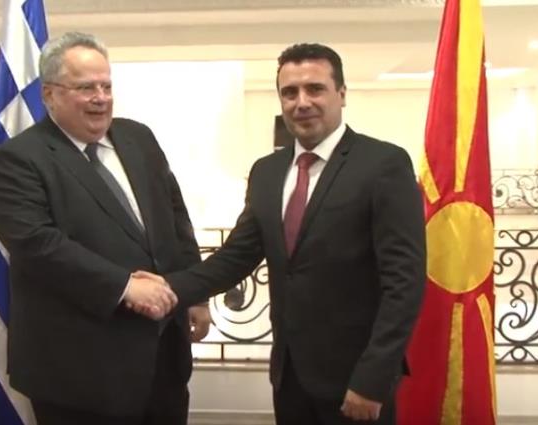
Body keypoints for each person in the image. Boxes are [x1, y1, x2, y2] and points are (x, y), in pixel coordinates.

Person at [132, 43, 426, 424]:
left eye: (315, 89)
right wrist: (167, 287)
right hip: (290, 378)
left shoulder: (384, 164)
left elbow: (404, 283)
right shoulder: (267, 172)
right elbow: (235, 258)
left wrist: (374, 378)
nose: (301, 102)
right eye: (289, 92)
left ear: (341, 94)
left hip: (356, 381)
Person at [0, 31, 210, 425]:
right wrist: (124, 286)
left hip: (163, 358)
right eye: (86, 87)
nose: (101, 97)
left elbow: (175, 218)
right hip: (79, 371)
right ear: (49, 94)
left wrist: (195, 293)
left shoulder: (138, 138)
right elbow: (36, 245)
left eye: (106, 86)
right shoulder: (17, 160)